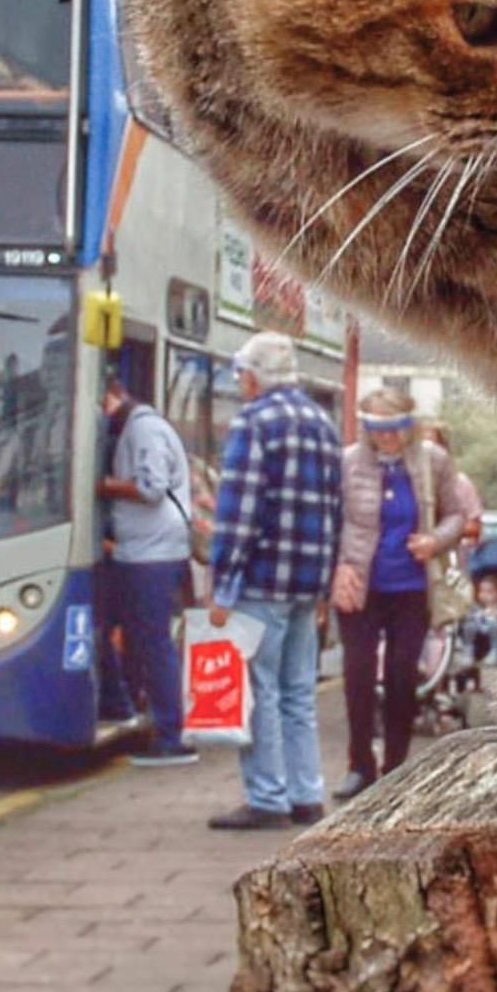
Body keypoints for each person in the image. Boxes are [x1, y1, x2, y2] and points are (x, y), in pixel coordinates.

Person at [205, 332, 344, 830]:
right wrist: (326, 585)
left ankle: (267, 796)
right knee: (299, 692)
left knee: (260, 691)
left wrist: (222, 587)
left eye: (242, 372)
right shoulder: (322, 424)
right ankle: (307, 795)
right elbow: (335, 511)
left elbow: (238, 514)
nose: (240, 381)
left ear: (254, 375)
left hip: (261, 582)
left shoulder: (254, 423)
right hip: (307, 584)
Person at [331, 389, 469, 802]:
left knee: (402, 676)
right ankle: (359, 764)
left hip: (411, 585)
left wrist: (435, 539)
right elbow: (332, 518)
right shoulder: (348, 463)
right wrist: (338, 567)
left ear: (409, 426)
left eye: (394, 428)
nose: (387, 437)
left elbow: (457, 515)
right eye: (377, 429)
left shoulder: (433, 460)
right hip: (361, 583)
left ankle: (395, 765)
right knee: (356, 676)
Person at [95, 375, 200, 767]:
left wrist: (99, 486)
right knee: (113, 629)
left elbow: (152, 488)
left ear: (114, 394)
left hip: (153, 554)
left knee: (153, 643)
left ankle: (172, 736)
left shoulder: (144, 430)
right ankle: (121, 706)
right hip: (135, 551)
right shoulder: (133, 429)